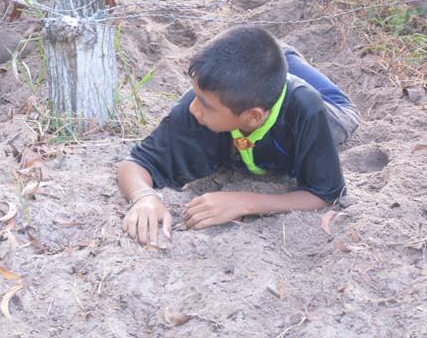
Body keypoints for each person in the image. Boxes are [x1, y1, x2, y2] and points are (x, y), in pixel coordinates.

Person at [118, 25, 360, 246]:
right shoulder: (198, 107)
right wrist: (144, 197)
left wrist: (244, 202)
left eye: (205, 104)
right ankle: (272, 59)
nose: (194, 108)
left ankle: (282, 58)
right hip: (256, 78)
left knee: (345, 115)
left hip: (329, 107)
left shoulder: (307, 110)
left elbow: (325, 193)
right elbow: (136, 163)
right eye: (196, 96)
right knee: (259, 71)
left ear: (253, 117)